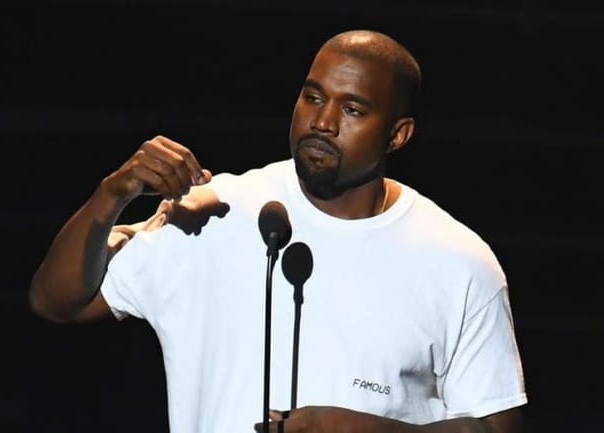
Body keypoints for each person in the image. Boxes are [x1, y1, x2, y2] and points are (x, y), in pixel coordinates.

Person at [30, 29, 528, 433]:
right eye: (313, 97)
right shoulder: (214, 213)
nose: (323, 122)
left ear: (398, 135)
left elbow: (496, 425)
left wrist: (371, 431)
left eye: (352, 109)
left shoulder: (457, 260)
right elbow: (58, 301)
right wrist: (110, 197)